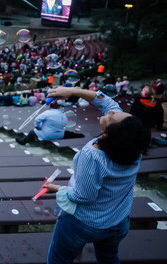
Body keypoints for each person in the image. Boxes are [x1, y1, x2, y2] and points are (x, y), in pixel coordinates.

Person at [43, 86, 150, 264]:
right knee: (109, 258)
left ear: (110, 134)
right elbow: (107, 102)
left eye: (110, 117)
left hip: (84, 224)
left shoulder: (92, 155)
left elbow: (84, 196)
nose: (110, 111)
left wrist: (58, 189)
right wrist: (72, 90)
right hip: (118, 221)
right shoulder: (133, 146)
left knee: (59, 260)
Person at [16, 101, 84, 145]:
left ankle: (23, 141)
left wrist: (38, 127)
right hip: (60, 135)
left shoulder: (48, 112)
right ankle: (26, 139)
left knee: (32, 131)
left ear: (51, 107)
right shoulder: (63, 115)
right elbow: (64, 124)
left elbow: (37, 120)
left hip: (48, 135)